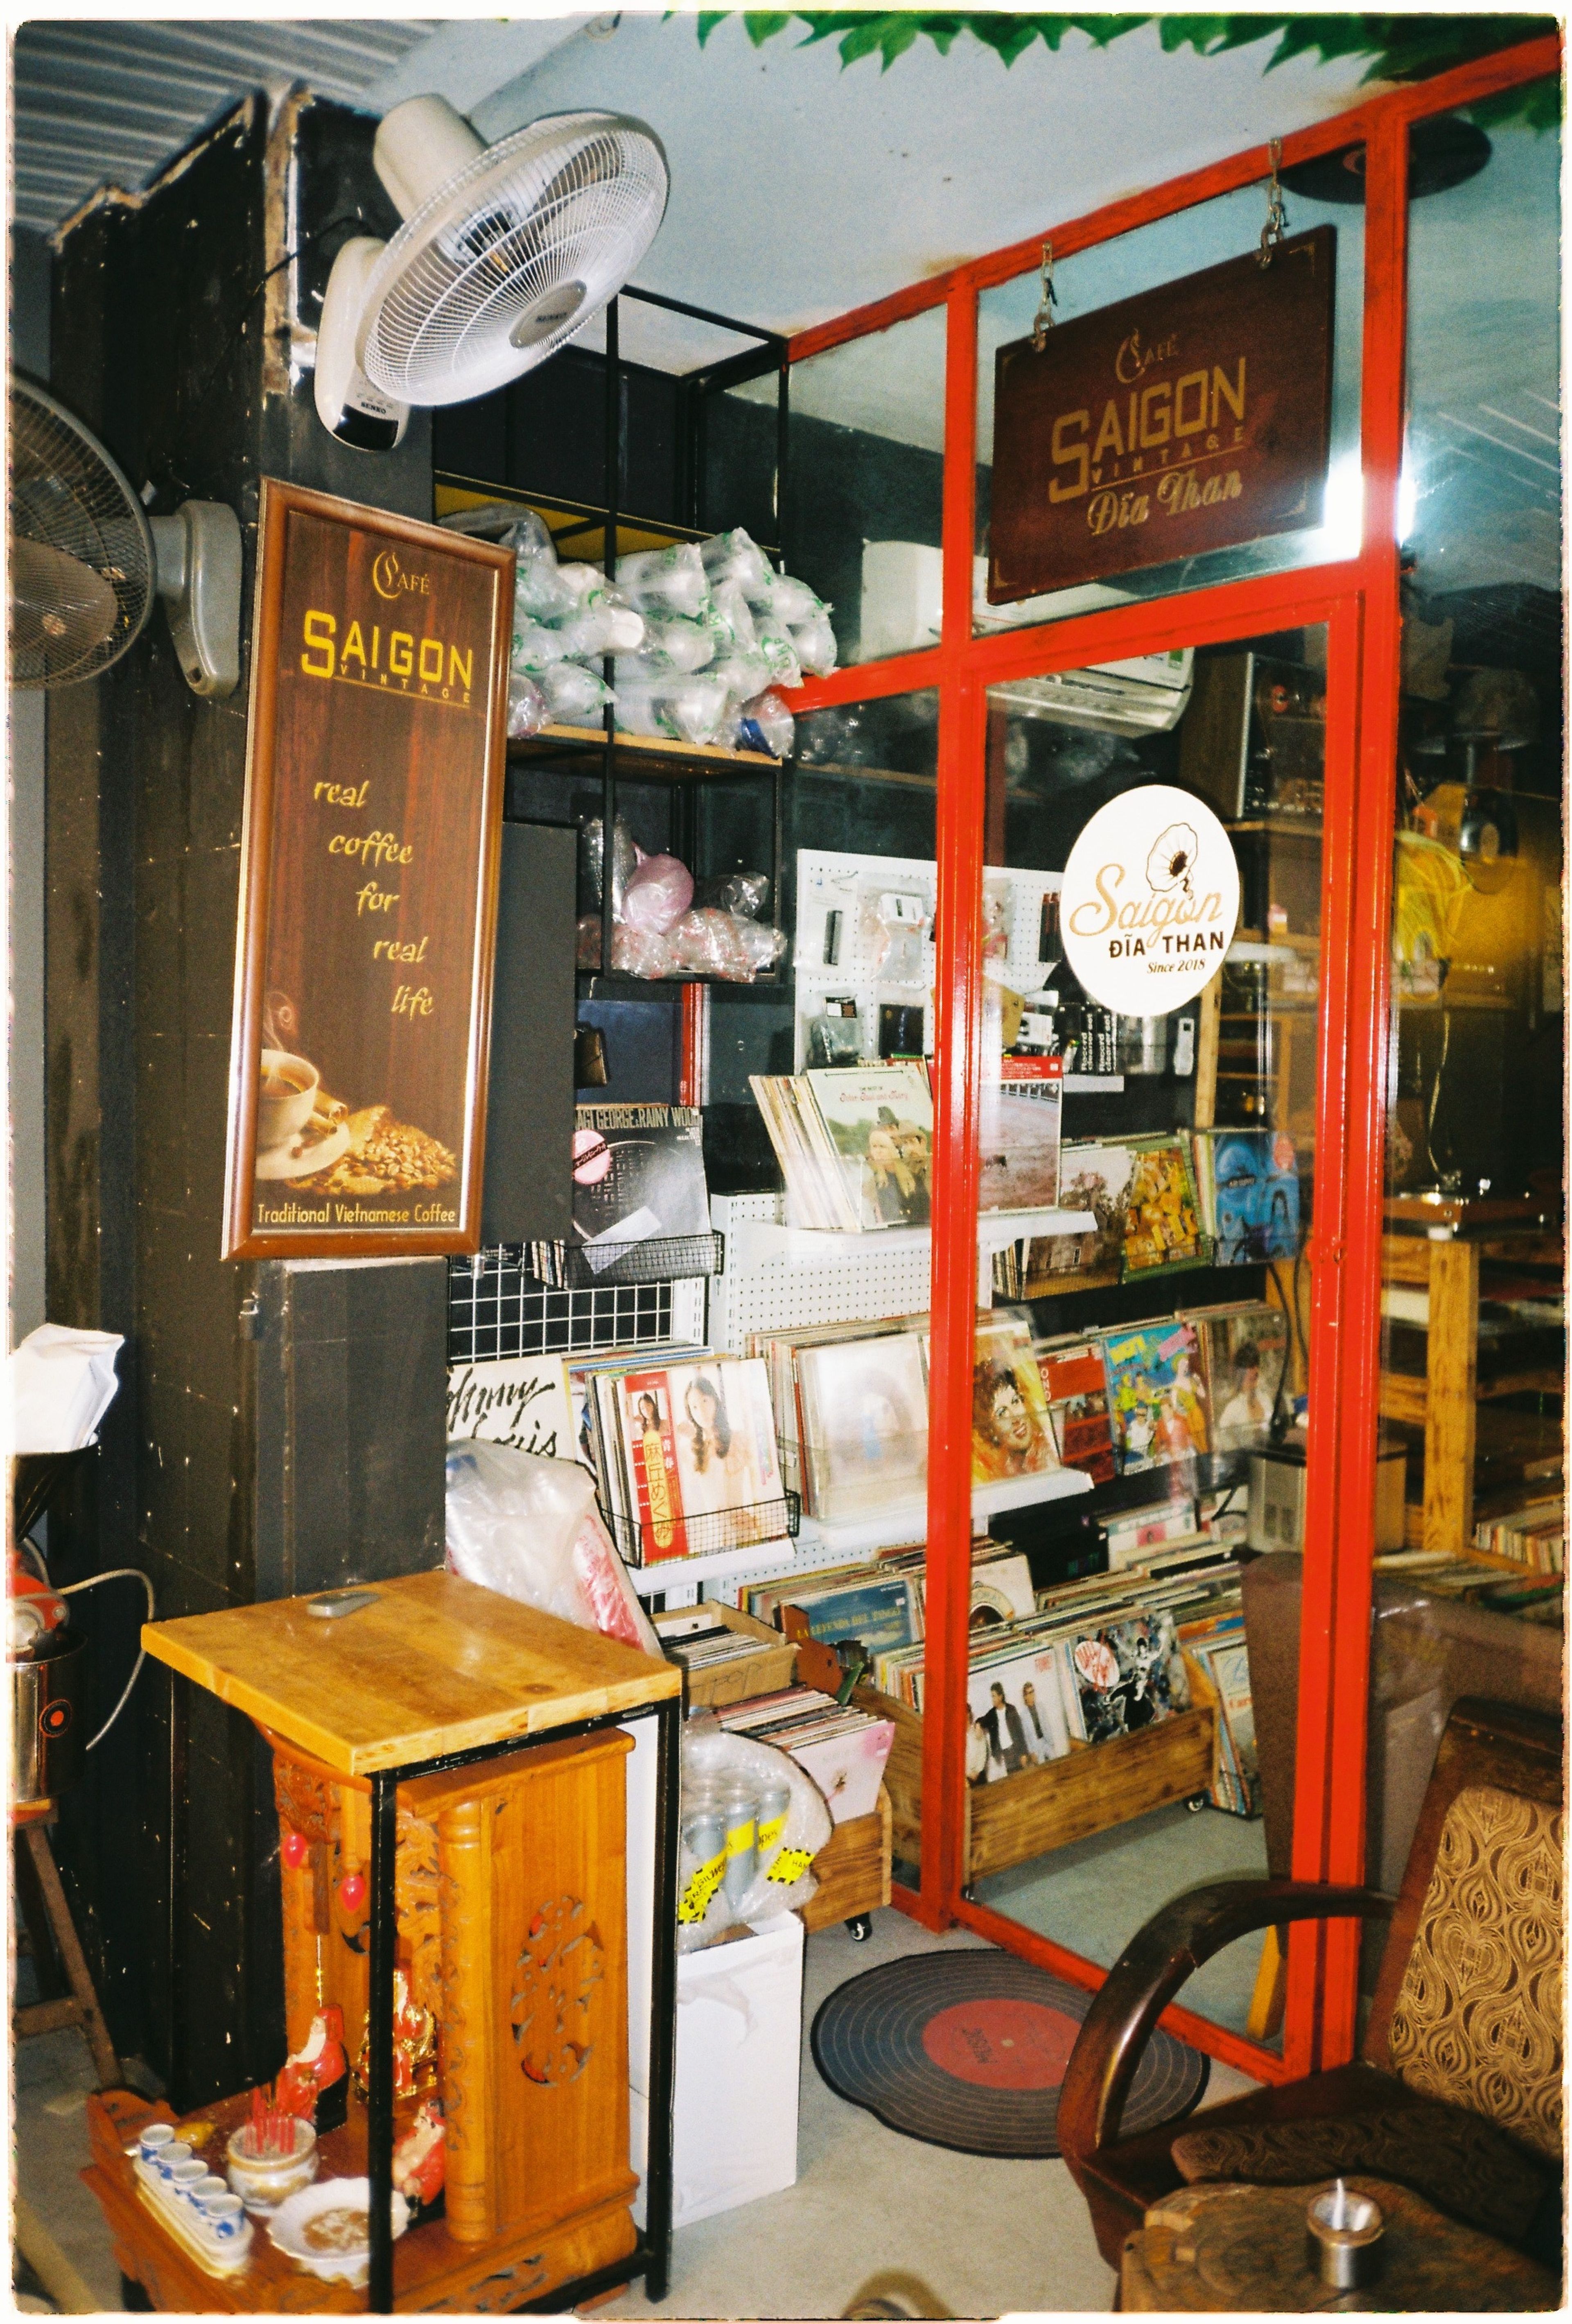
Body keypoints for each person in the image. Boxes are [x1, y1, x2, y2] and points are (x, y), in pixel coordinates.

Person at [972, 1359, 1050, 1479]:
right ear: (989, 1430)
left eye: (1015, 1401)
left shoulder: (1047, 1454)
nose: (1016, 1418)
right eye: (1002, 1413)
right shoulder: (999, 1473)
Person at [1218, 1340, 1272, 1440]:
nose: (1255, 1371)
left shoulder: (1266, 1400)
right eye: (1250, 1367)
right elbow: (1222, 1441)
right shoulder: (1233, 1409)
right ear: (1240, 1372)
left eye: (1257, 1365)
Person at [980, 1679, 1028, 1775]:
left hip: (1016, 1751)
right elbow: (982, 1721)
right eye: (992, 1696)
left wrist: (1024, 1753)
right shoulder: (992, 1714)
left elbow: (1020, 1733)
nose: (993, 1699)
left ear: (1001, 1697)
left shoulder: (1011, 1710)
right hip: (1002, 1756)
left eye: (994, 1696)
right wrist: (978, 1725)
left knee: (1022, 1777)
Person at [1019, 1679, 1053, 1762]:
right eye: (1029, 1693)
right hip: (1036, 1745)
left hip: (1046, 1741)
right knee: (1042, 1766)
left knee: (1054, 1760)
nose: (1032, 1695)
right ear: (1025, 1697)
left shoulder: (1041, 1707)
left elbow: (1047, 1725)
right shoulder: (1023, 1715)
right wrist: (1032, 1752)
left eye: (1033, 1691)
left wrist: (1051, 1742)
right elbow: (1026, 1736)